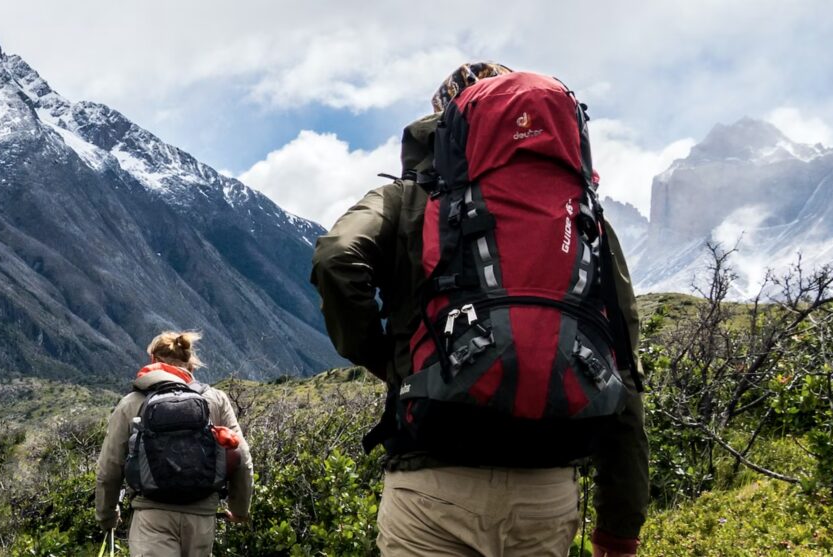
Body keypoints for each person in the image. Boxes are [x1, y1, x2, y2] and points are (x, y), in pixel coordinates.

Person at [311, 62, 649, 557]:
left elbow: (337, 257)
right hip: (548, 492)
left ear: (445, 124)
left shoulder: (408, 199)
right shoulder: (582, 216)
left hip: (433, 482)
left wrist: (384, 361)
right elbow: (623, 360)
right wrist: (620, 523)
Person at [95, 331, 253, 557]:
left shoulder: (131, 403)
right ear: (191, 366)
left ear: (153, 362)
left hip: (152, 517)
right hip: (201, 519)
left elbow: (109, 468)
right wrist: (239, 511)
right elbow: (243, 458)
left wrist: (107, 517)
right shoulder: (215, 400)